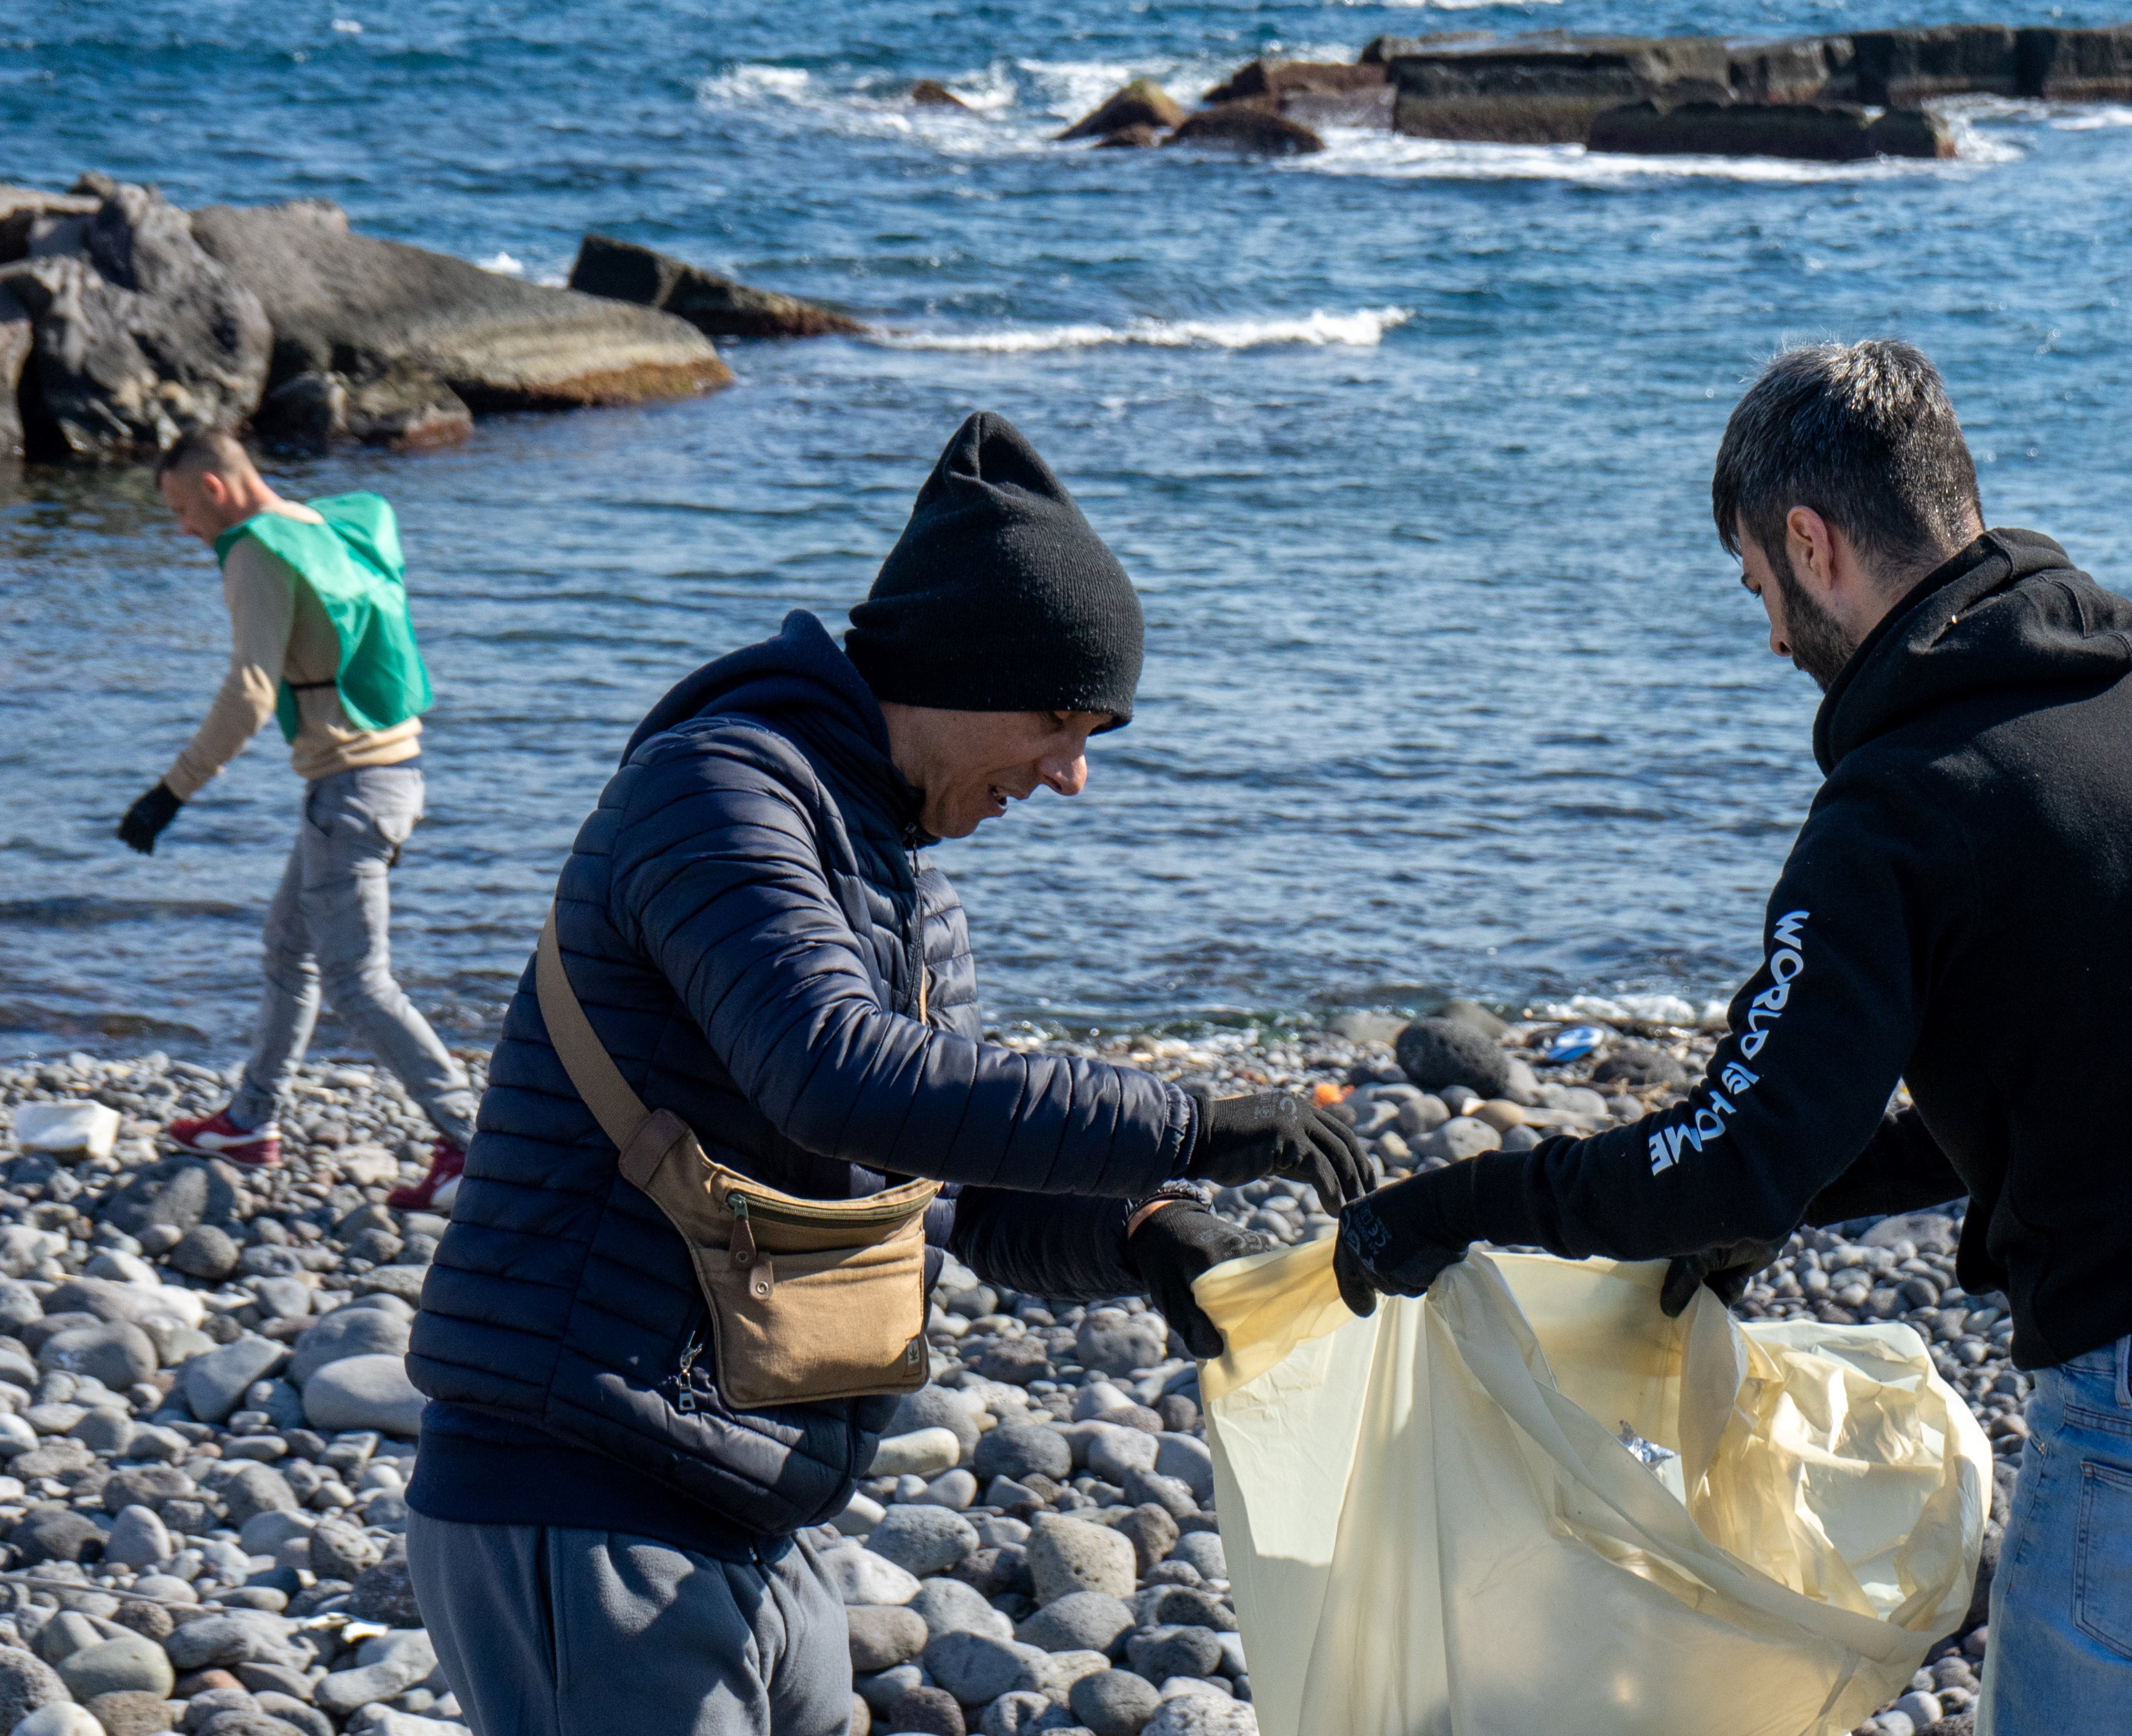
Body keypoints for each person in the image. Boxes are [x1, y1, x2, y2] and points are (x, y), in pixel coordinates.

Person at [1332, 341, 2132, 1733]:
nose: (1773, 639)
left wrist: (1455, 1206)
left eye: (1758, 590)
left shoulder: (1896, 811)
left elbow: (1734, 1151)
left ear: (1811, 542)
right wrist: (1786, 1202)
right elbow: (2088, 1096)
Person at [401, 410, 1369, 1735]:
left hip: (753, 1507)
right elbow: (835, 1077)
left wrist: (1143, 1232)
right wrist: (1190, 1123)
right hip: (586, 1492)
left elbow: (934, 1179)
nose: (1072, 775)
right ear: (968, 667)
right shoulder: (718, 790)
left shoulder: (905, 882)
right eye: (1063, 722)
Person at [122, 433, 479, 1203]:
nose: (183, 529)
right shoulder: (323, 528)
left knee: (357, 981)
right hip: (390, 776)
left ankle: (474, 1145)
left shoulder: (256, 551)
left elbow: (251, 690)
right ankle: (252, 1120)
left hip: (351, 792)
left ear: (215, 488)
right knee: (289, 948)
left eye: (181, 509)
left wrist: (171, 792)